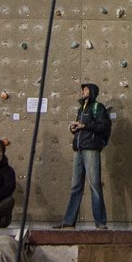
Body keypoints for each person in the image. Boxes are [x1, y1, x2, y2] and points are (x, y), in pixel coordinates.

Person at [54, 82, 111, 229]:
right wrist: (74, 129)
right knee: (75, 186)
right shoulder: (81, 109)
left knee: (95, 186)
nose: (83, 92)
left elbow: (104, 126)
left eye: (85, 89)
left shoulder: (98, 107)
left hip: (91, 149)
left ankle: (100, 223)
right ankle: (68, 222)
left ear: (92, 91)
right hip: (78, 149)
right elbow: (82, 128)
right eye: (83, 90)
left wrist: (85, 126)